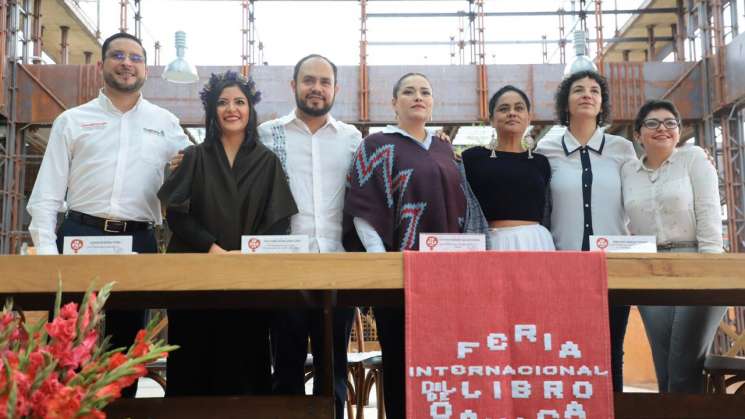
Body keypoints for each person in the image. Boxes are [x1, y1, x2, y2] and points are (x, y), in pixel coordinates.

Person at [26, 32, 189, 397]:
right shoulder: (73, 121)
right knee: (67, 348)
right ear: (101, 65)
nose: (127, 63)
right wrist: (47, 255)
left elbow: (195, 175)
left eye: (135, 57)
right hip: (79, 237)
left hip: (138, 240)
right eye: (118, 55)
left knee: (126, 352)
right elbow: (46, 194)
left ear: (146, 68)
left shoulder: (166, 123)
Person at [158, 70, 297, 396]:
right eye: (222, 102)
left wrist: (249, 254)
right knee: (192, 366)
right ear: (211, 111)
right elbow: (177, 215)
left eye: (239, 101)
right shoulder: (193, 157)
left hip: (248, 280)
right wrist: (213, 250)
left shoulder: (268, 162)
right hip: (194, 278)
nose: (231, 108)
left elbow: (278, 221)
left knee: (245, 368)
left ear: (250, 109)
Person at [343, 72, 468, 418]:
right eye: (409, 91)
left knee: (444, 362)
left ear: (432, 103)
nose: (418, 97)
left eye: (425, 92)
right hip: (400, 274)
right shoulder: (377, 144)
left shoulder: (445, 148)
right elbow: (363, 209)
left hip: (447, 275)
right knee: (400, 359)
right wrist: (380, 262)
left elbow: (465, 206)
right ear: (393, 102)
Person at [258, 54, 362, 419]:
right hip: (284, 265)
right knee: (285, 364)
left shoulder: (352, 138)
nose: (316, 88)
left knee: (332, 364)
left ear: (335, 89)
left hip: (337, 264)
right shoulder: (268, 134)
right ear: (294, 86)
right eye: (308, 80)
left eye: (324, 81)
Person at [535, 70, 637, 391]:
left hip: (614, 266)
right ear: (566, 101)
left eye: (594, 90)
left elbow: (642, 194)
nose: (587, 94)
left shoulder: (622, 148)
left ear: (602, 102)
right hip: (562, 267)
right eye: (578, 89)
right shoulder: (546, 149)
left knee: (610, 352)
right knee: (565, 352)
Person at [622, 99, 725, 393]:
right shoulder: (627, 171)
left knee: (683, 366)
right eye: (652, 123)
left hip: (697, 261)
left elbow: (709, 214)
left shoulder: (693, 159)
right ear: (638, 135)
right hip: (650, 269)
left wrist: (710, 272)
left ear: (679, 132)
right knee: (665, 366)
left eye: (670, 123)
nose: (662, 129)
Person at [462, 85, 553, 250]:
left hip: (536, 244)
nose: (512, 113)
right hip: (491, 244)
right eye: (504, 109)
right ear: (492, 119)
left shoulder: (541, 162)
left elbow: (548, 210)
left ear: (528, 117)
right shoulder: (471, 158)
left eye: (519, 108)